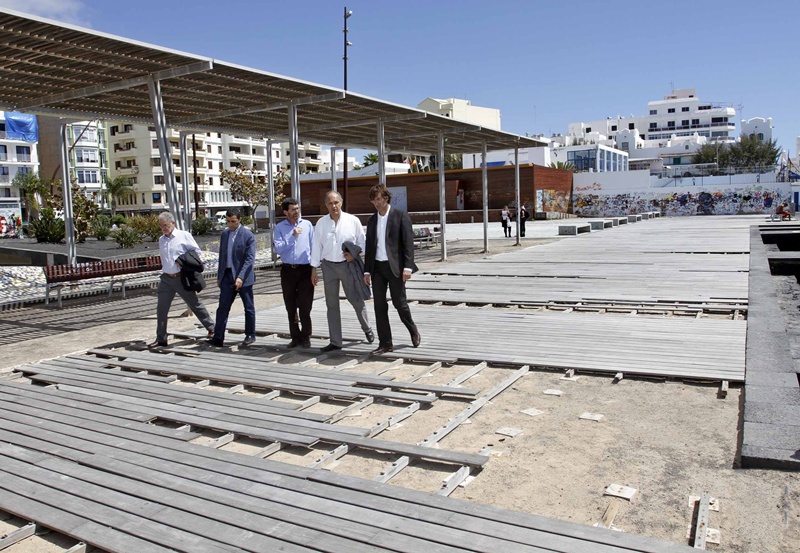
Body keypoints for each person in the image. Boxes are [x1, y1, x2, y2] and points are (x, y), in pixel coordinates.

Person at [311, 190, 374, 352]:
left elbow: (362, 242)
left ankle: (367, 328)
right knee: (331, 304)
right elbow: (316, 246)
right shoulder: (321, 223)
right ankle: (335, 341)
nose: (333, 206)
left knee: (355, 299)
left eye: (336, 202)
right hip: (328, 266)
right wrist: (314, 269)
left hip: (348, 266)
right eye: (330, 203)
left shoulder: (353, 220)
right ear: (326, 205)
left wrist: (354, 255)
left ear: (341, 203)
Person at [363, 184, 420, 355]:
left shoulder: (400, 216)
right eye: (373, 201)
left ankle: (412, 329)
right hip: (377, 268)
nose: (376, 203)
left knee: (399, 303)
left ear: (386, 198)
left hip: (395, 267)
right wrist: (367, 271)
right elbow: (369, 247)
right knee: (379, 306)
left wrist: (408, 267)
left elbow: (408, 243)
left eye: (378, 199)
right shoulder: (372, 220)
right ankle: (385, 343)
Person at [148, 212, 215, 348]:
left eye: (165, 225)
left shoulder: (184, 235)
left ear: (173, 223)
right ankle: (161, 338)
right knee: (161, 309)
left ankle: (212, 328)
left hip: (181, 278)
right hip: (166, 278)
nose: (163, 228)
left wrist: (183, 261)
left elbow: (196, 252)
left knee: (194, 304)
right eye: (161, 226)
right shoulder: (161, 240)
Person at [208, 209, 256, 347]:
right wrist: (220, 276)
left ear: (239, 220)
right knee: (222, 307)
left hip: (243, 276)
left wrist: (241, 277)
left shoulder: (248, 235)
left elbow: (249, 259)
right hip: (227, 275)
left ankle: (250, 334)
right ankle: (218, 337)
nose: (230, 224)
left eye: (233, 221)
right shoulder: (225, 234)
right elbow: (222, 256)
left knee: (248, 307)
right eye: (228, 221)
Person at [273, 197, 314, 348]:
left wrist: (314, 269)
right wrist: (293, 236)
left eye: (297, 208)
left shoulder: (307, 225)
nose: (296, 212)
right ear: (286, 212)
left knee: (305, 305)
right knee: (290, 306)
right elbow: (278, 249)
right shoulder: (279, 228)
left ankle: (306, 336)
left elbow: (313, 247)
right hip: (288, 270)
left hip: (305, 270)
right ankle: (295, 336)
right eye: (293, 209)